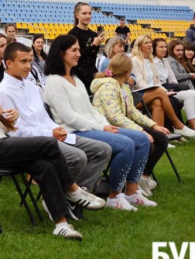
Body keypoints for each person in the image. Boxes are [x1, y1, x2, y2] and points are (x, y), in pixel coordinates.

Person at [0, 48, 104, 240]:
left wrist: (7, 118)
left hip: (0, 145)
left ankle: (61, 224)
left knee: (45, 166)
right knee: (48, 144)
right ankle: (73, 189)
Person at [44, 35, 155, 211]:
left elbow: (90, 110)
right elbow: (69, 118)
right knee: (126, 144)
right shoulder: (54, 82)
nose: (78, 54)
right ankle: (114, 196)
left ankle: (132, 193)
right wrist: (101, 127)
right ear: (60, 53)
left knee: (141, 139)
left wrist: (105, 125)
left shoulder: (75, 79)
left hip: (89, 127)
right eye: (74, 50)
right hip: (73, 132)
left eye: (78, 49)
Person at [0, 42, 111, 195]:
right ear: (9, 63)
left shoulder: (32, 87)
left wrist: (55, 129)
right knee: (77, 157)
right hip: (32, 144)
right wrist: (51, 134)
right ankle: (59, 197)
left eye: (30, 61)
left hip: (51, 135)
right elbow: (16, 132)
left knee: (103, 150)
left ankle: (78, 194)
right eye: (23, 61)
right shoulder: (3, 92)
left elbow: (44, 118)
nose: (29, 66)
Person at [91, 54, 171, 197]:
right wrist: (141, 131)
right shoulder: (108, 86)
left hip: (121, 124)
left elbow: (132, 111)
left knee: (161, 138)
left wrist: (153, 126)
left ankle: (143, 177)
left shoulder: (123, 86)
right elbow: (114, 117)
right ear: (128, 72)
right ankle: (132, 180)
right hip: (108, 127)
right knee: (146, 141)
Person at [130, 35, 195, 138]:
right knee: (160, 92)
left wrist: (163, 91)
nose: (149, 45)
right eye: (146, 43)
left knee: (158, 103)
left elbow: (156, 82)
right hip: (138, 95)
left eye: (149, 42)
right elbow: (139, 84)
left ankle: (161, 137)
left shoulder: (150, 60)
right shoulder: (134, 60)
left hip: (151, 95)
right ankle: (177, 125)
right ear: (139, 46)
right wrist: (160, 92)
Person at [152, 38, 195, 140]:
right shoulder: (154, 62)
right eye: (161, 47)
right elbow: (157, 82)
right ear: (155, 49)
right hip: (162, 89)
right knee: (190, 94)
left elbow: (172, 79)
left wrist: (179, 88)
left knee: (193, 93)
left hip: (170, 87)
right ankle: (194, 129)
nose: (164, 49)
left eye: (165, 47)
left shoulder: (165, 61)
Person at [68, 2, 104, 93]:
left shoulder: (93, 34)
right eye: (84, 13)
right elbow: (77, 56)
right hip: (78, 76)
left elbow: (93, 57)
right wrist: (93, 45)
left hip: (91, 74)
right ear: (77, 15)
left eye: (89, 13)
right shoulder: (72, 34)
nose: (88, 16)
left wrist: (96, 44)